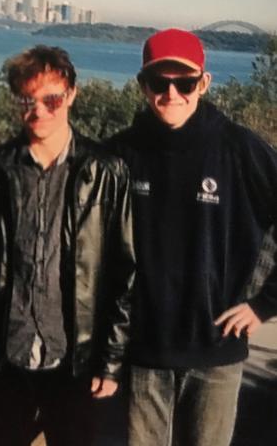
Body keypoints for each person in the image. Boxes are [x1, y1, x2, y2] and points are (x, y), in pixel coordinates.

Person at [0, 45, 136, 446]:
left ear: (71, 94)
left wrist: (110, 361)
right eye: (27, 100)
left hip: (76, 361)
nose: (39, 111)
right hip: (8, 356)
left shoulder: (105, 171)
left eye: (51, 99)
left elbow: (125, 273)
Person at [109, 28, 277, 446]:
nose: (171, 93)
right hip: (144, 352)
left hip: (217, 351)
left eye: (184, 82)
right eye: (159, 82)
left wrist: (264, 304)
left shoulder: (240, 150)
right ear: (142, 85)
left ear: (203, 83)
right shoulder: (121, 154)